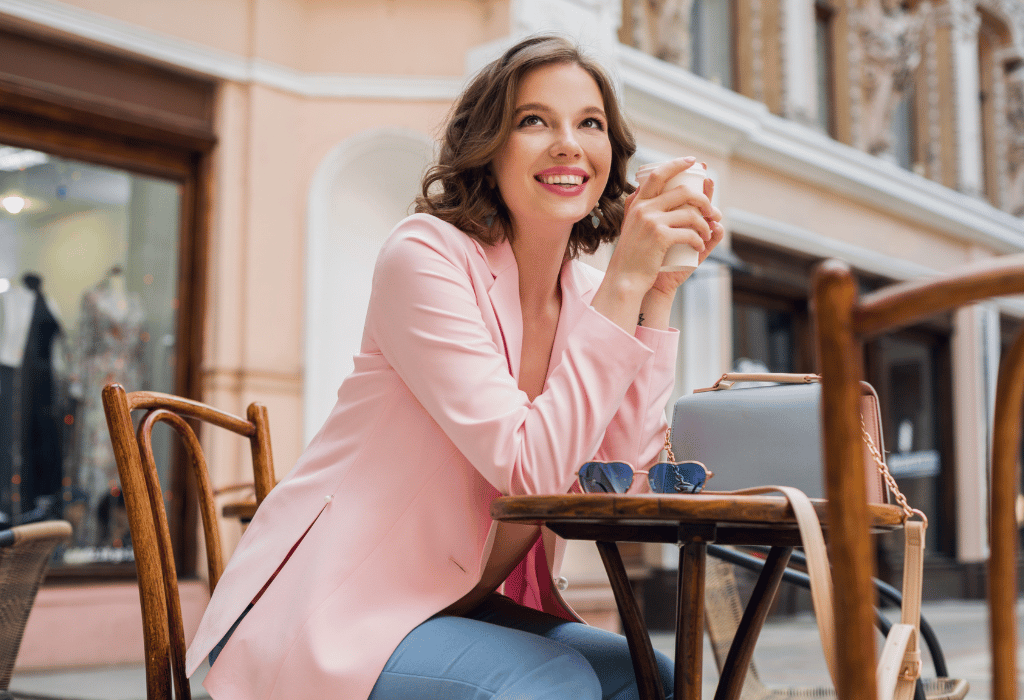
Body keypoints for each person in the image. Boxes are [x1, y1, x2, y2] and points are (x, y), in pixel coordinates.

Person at [186, 33, 723, 700]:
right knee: (554, 688)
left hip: (451, 605)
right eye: (535, 121)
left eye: (590, 124)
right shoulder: (425, 256)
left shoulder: (587, 297)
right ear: (489, 147)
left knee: (659, 683)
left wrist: (655, 300)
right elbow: (532, 470)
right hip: (333, 611)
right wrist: (622, 286)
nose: (568, 143)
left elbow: (624, 483)